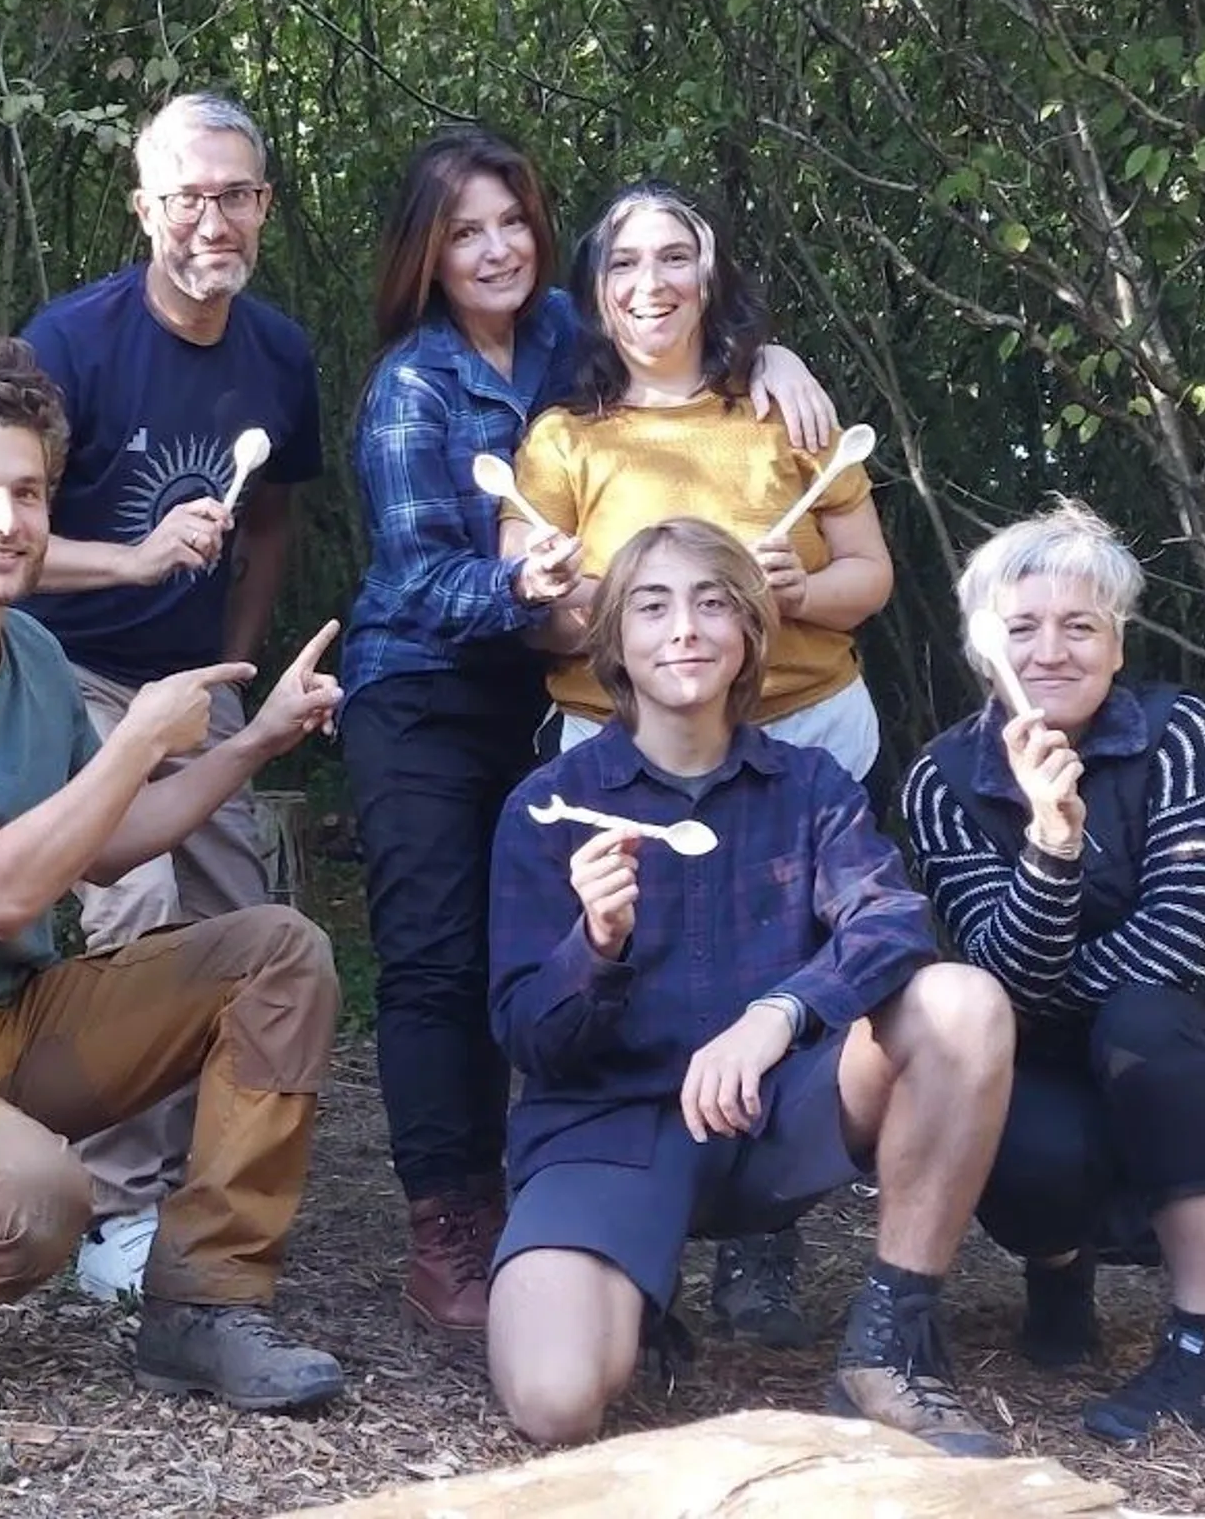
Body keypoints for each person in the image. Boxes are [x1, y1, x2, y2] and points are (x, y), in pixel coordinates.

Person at [0, 330, 343, 1411]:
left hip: (17, 1023)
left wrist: (254, 738)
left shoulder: (32, 653)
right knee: (39, 1202)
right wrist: (138, 735)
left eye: (29, 491)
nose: (5, 520)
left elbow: (115, 837)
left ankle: (202, 1305)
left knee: (278, 953)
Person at [341, 128, 835, 1338]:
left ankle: (571, 1184)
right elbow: (415, 574)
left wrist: (766, 351)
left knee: (584, 941)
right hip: (424, 695)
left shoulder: (566, 342)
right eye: (465, 231)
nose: (495, 247)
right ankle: (450, 1220)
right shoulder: (414, 386)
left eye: (511, 222)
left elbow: (669, 338)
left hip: (557, 692)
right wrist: (525, 589)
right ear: (429, 254)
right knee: (441, 961)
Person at [484, 519, 1015, 1453]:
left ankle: (888, 1349)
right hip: (606, 1132)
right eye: (652, 606)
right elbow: (527, 1038)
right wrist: (595, 945)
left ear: (747, 637)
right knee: (557, 1401)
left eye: (711, 602)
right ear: (614, 644)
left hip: (772, 1115)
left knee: (962, 1004)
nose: (683, 627)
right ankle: (633, 1299)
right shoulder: (549, 806)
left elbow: (893, 923)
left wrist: (779, 1014)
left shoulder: (811, 787)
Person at [902, 499, 1205, 1443]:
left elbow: (1180, 942)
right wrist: (1049, 844)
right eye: (1023, 628)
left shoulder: (1182, 733)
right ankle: (1059, 1268)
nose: (1052, 651)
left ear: (1118, 645)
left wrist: (1045, 989)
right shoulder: (940, 780)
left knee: (1141, 1018)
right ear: (981, 649)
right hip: (1039, 1061)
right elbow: (995, 970)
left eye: (1081, 626)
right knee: (1011, 1132)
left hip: (1197, 1055)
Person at [504, 181, 893, 1343]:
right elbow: (538, 622)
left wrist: (802, 591)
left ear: (712, 275)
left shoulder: (784, 412)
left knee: (785, 986)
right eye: (624, 265)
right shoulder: (564, 440)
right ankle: (628, 1221)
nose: (651, 286)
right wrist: (568, 600)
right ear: (591, 291)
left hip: (805, 738)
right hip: (619, 754)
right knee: (633, 969)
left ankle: (761, 1237)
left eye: (676, 259)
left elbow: (868, 577)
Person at [19, 92, 324, 1299]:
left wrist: (236, 672)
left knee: (243, 919)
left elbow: (275, 520)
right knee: (132, 895)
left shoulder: (279, 353)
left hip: (198, 683)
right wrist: (138, 559)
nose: (214, 221)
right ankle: (111, 1211)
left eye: (236, 195)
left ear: (262, 206)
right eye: (189, 196)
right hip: (73, 673)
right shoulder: (72, 344)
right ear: (146, 208)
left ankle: (219, 1196)